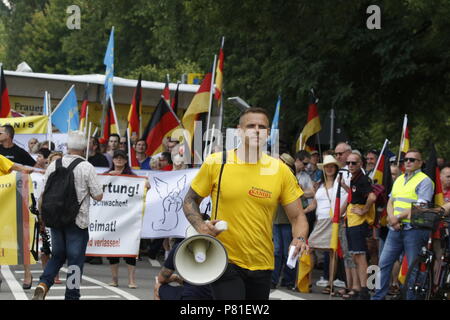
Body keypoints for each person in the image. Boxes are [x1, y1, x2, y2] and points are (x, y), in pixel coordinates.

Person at [183, 107, 309, 300]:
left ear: (268, 133)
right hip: (224, 259)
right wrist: (201, 226)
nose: (256, 130)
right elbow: (190, 199)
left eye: (262, 127)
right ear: (239, 131)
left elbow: (298, 216)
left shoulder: (280, 170)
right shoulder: (218, 162)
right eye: (251, 126)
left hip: (262, 262)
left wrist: (299, 238)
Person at [32, 131, 103, 300]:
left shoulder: (54, 165)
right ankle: (71, 295)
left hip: (55, 219)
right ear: (84, 147)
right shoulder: (86, 167)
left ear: (68, 147)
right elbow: (98, 195)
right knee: (75, 260)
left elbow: (43, 194)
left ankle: (44, 283)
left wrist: (42, 218)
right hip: (77, 220)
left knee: (57, 255)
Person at [372, 149, 434, 300]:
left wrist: (396, 218)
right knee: (383, 263)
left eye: (412, 160)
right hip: (395, 228)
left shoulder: (425, 180)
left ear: (420, 163)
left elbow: (420, 206)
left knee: (413, 268)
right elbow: (390, 202)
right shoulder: (399, 179)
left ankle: (411, 298)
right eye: (406, 159)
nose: (408, 162)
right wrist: (392, 217)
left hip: (414, 230)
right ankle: (377, 297)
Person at [304, 155, 347, 294]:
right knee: (309, 247)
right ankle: (308, 282)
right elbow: (314, 204)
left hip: (333, 220)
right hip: (320, 220)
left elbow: (347, 198)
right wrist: (302, 212)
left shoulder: (340, 183)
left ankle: (330, 284)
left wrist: (339, 214)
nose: (329, 169)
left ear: (335, 168)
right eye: (326, 166)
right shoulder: (319, 185)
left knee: (332, 251)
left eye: (331, 166)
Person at [344, 152, 377, 300]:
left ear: (360, 164)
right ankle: (360, 288)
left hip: (358, 222)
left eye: (354, 163)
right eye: (348, 163)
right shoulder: (354, 179)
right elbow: (355, 196)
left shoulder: (363, 179)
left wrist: (363, 210)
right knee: (356, 255)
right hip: (351, 221)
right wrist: (345, 186)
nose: (350, 165)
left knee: (360, 255)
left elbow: (372, 196)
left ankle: (364, 290)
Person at [104, 149, 138, 288]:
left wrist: (146, 183)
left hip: (128, 218)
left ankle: (131, 280)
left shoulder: (132, 176)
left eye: (121, 158)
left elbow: (145, 187)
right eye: (116, 158)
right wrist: (108, 177)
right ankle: (114, 279)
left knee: (130, 249)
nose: (118, 160)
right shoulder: (106, 175)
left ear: (125, 161)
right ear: (112, 160)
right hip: (111, 217)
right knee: (112, 250)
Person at [333, 142, 359, 299]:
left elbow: (353, 196)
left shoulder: (355, 172)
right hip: (341, 218)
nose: (338, 157)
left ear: (349, 153)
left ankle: (356, 286)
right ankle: (348, 284)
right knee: (345, 254)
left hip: (350, 218)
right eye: (336, 154)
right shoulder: (341, 171)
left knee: (353, 254)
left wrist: (340, 213)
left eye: (340, 153)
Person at [271, 153, 298, 290]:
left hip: (288, 221)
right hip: (276, 220)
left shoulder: (290, 178)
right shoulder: (275, 176)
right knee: (276, 252)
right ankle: (273, 280)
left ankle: (289, 280)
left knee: (289, 252)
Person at [294, 150, 316, 235]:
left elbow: (313, 193)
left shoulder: (305, 176)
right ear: (297, 160)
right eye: (305, 163)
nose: (307, 166)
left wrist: (300, 192)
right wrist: (304, 193)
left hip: (303, 210)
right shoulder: (288, 173)